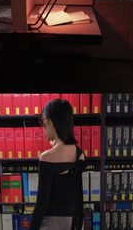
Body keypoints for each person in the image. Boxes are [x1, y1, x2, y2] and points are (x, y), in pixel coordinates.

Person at [30, 98, 86, 230]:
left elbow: (41, 205)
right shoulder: (80, 154)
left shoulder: (47, 157)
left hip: (51, 223)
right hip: (75, 222)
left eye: (43, 124)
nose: (43, 129)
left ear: (50, 122)